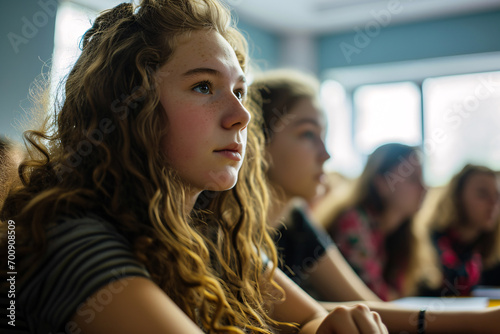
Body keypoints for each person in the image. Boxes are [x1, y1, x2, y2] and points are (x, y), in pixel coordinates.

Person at [0, 1, 389, 333]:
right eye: (203, 86)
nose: (241, 116)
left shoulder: (208, 232)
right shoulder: (71, 240)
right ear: (132, 107)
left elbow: (314, 321)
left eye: (239, 91)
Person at [252, 68, 500, 333]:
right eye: (307, 134)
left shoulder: (296, 219)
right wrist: (480, 321)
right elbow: (316, 311)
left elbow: (359, 305)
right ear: (256, 141)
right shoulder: (352, 224)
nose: (326, 155)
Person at [418, 164, 500, 296]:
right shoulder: (426, 244)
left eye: (497, 196)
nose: (493, 203)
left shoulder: (487, 253)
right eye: (482, 194)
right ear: (457, 197)